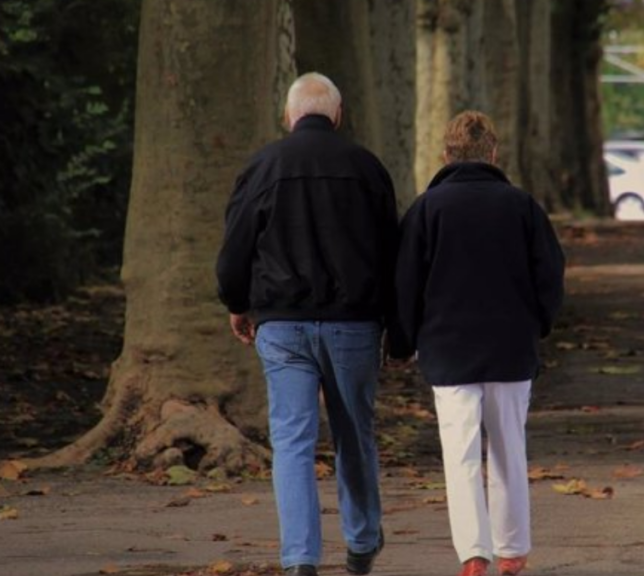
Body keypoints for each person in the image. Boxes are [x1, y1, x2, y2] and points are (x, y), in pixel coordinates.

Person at [216, 72, 393, 576]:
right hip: (354, 323)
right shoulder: (367, 168)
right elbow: (391, 252)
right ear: (337, 115)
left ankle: (300, 558)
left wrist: (237, 301)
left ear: (288, 115)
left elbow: (235, 249)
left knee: (292, 440)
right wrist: (395, 325)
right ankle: (360, 543)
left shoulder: (262, 166)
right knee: (353, 433)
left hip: (282, 324)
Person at [389, 111, 565, 576]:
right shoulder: (522, 206)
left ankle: (473, 552)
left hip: (448, 349)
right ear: (493, 153)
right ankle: (513, 549)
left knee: (460, 453)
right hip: (510, 346)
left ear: (445, 156)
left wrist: (402, 343)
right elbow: (549, 275)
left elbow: (406, 284)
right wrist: (538, 325)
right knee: (509, 447)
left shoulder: (426, 209)